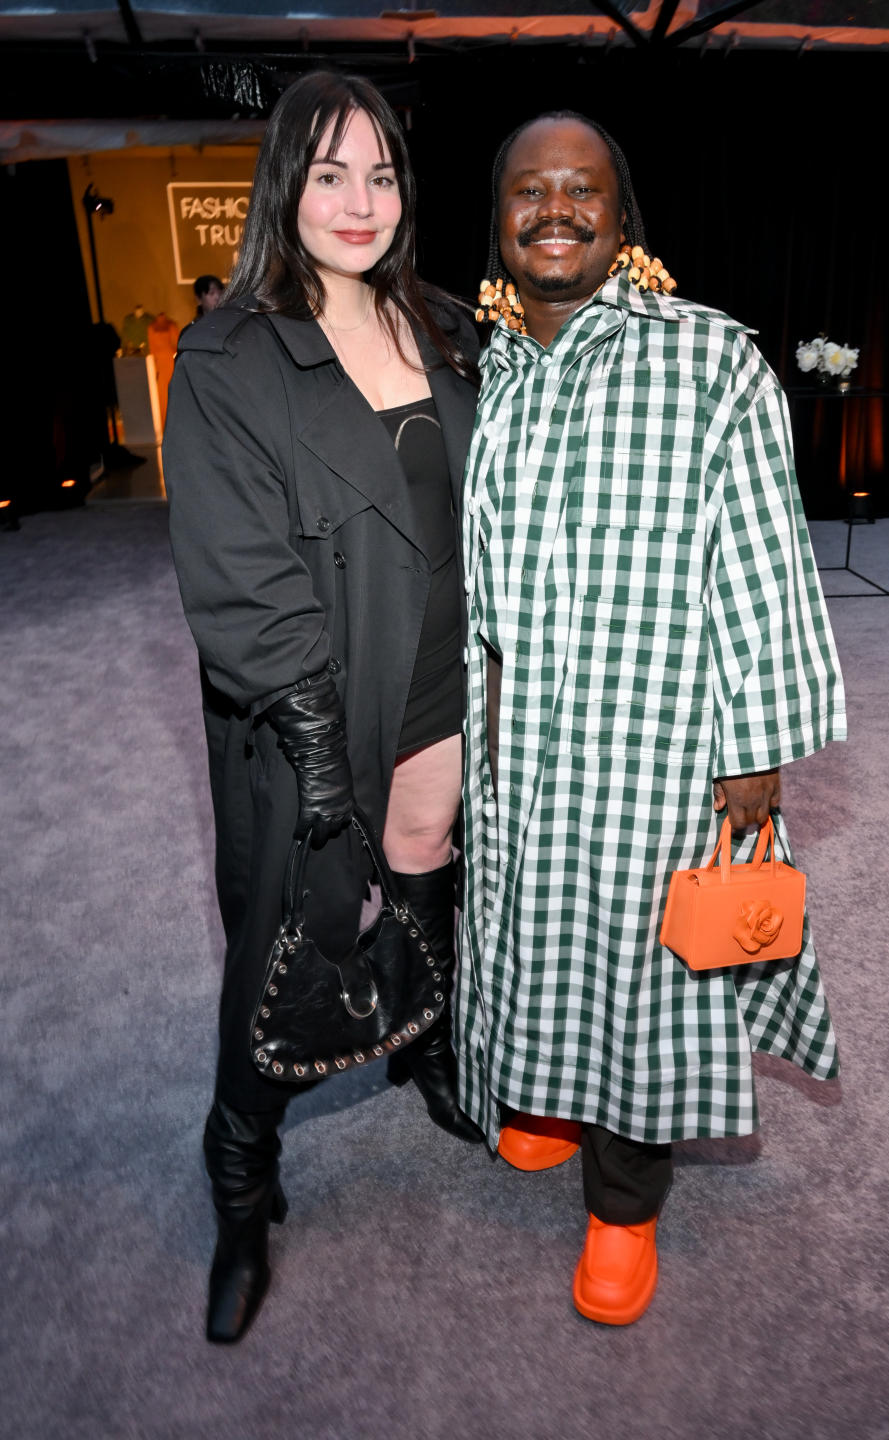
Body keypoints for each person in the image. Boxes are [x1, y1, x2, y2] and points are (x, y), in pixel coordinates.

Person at [457, 111, 846, 1326]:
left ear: (623, 221)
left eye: (582, 191)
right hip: (515, 738)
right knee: (524, 920)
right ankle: (540, 1098)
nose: (555, 210)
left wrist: (757, 753)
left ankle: (624, 1203)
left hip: (659, 735)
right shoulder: (481, 367)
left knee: (645, 966)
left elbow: (766, 558)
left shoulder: (709, 359)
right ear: (500, 217)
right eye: (530, 191)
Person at [162, 71, 482, 1346]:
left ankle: (422, 1039)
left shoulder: (449, 323)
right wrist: (313, 743)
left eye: (383, 172)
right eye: (331, 172)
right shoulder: (232, 352)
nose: (361, 201)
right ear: (283, 183)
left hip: (451, 676)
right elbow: (237, 568)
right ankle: (241, 1166)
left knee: (427, 870)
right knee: (286, 942)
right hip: (319, 697)